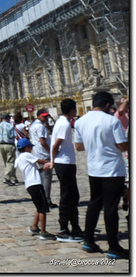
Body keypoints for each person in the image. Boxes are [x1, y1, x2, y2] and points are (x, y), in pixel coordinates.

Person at [74, 91, 129, 259]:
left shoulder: (81, 121)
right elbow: (123, 145)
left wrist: (95, 144)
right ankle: (113, 246)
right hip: (112, 169)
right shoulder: (111, 120)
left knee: (94, 204)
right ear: (107, 105)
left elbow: (78, 146)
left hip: (94, 169)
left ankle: (88, 240)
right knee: (111, 208)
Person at [51, 98, 84, 242]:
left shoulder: (61, 121)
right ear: (72, 110)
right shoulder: (64, 124)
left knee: (73, 196)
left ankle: (75, 227)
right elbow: (55, 145)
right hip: (64, 163)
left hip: (66, 163)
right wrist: (53, 161)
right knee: (66, 196)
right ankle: (63, 229)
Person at [15, 138, 56, 240]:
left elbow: (33, 169)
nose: (31, 149)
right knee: (43, 208)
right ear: (26, 147)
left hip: (30, 185)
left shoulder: (19, 158)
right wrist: (52, 162)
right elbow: (40, 161)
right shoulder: (26, 155)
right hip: (35, 184)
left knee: (39, 206)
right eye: (30, 147)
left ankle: (34, 227)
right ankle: (43, 232)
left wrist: (43, 169)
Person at [29, 109, 56, 209]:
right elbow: (42, 141)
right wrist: (50, 152)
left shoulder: (33, 125)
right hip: (43, 154)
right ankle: (46, 199)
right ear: (38, 116)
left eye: (46, 116)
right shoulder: (40, 126)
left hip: (36, 153)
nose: (46, 118)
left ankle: (43, 198)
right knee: (47, 178)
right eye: (44, 116)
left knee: (41, 177)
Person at [0, 113, 18, 186]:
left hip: (1, 145)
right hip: (9, 145)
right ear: (8, 118)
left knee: (6, 163)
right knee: (10, 162)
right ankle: (6, 177)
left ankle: (12, 178)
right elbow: (15, 136)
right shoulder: (10, 126)